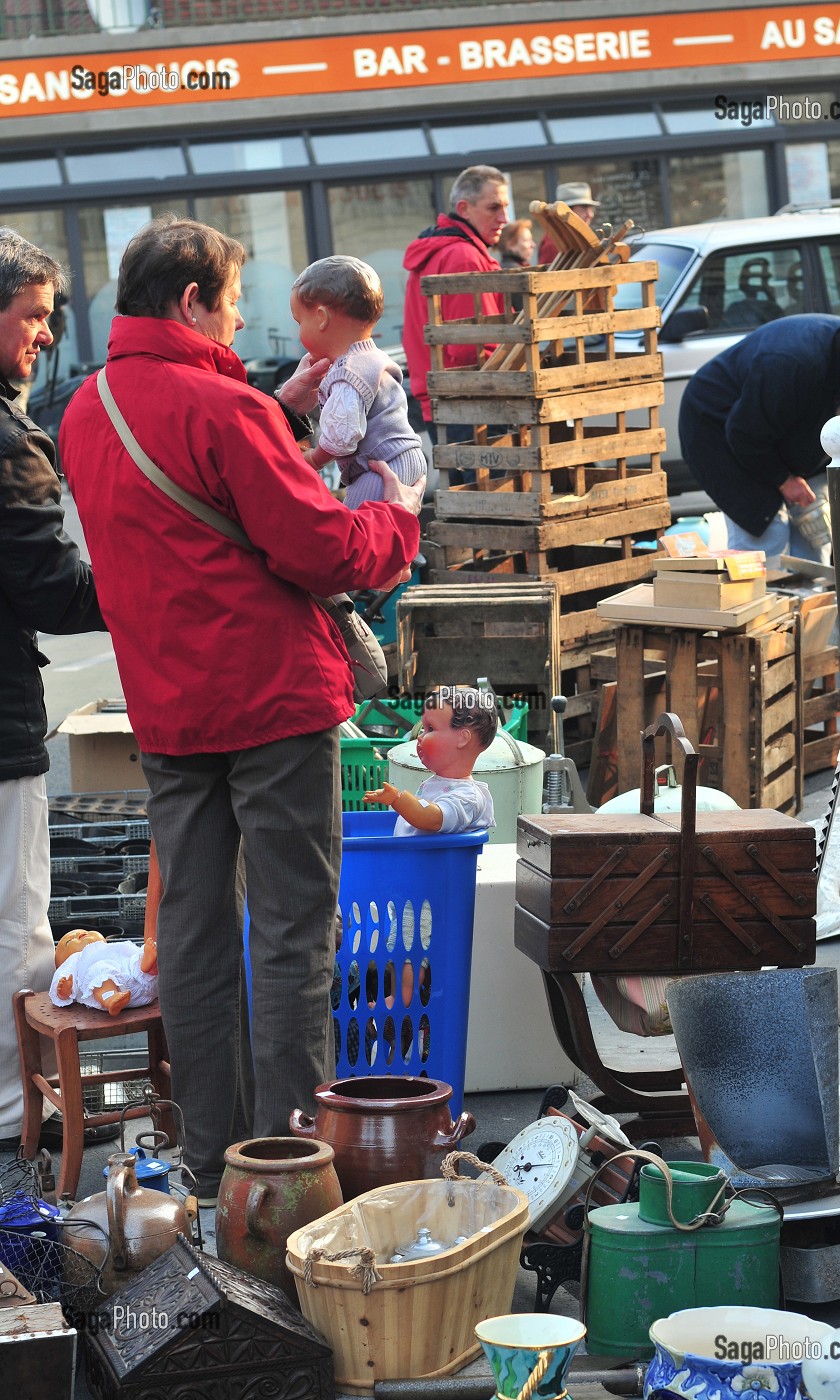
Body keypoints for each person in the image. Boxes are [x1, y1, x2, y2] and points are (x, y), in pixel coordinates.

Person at [59, 215, 422, 1204]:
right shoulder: (226, 408)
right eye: (227, 303)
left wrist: (267, 409)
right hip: (270, 695)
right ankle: (290, 1165)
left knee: (195, 930)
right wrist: (399, 513)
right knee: (296, 928)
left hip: (169, 705)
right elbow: (322, 551)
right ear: (190, 301)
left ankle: (209, 1159)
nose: (234, 323)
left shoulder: (86, 411)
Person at [0, 228, 106, 1155]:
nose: (43, 336)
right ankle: (13, 1116)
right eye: (31, 317)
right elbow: (54, 589)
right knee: (14, 918)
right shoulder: (5, 438)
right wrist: (153, 584)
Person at [678, 311, 840, 565]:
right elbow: (745, 434)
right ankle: (760, 599)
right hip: (718, 427)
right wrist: (783, 480)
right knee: (767, 532)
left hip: (782, 427)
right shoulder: (793, 362)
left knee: (816, 531)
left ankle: (810, 601)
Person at [289, 255, 426, 508]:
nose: (298, 331)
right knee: (394, 538)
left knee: (361, 537)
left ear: (321, 318)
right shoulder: (374, 357)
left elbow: (343, 434)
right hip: (406, 457)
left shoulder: (347, 372)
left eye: (299, 321)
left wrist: (315, 459)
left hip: (378, 468)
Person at [402, 164, 508, 439]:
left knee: (459, 483)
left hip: (444, 403)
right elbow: (471, 348)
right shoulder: (463, 256)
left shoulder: (439, 251)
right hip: (472, 402)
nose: (504, 218)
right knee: (491, 484)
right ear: (464, 209)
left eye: (504, 207)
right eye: (493, 208)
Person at [363, 685, 497, 836]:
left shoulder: (467, 798)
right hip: (411, 858)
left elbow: (432, 819)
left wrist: (397, 799)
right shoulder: (437, 783)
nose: (420, 737)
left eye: (431, 729)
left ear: (462, 738)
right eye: (423, 729)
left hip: (434, 860)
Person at [51, 927, 157, 1016]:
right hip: (117, 991)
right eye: (69, 941)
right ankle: (110, 998)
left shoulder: (110, 949)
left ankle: (150, 966)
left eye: (87, 931)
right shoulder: (76, 959)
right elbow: (63, 974)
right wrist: (63, 991)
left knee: (137, 958)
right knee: (99, 972)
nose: (79, 934)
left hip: (141, 983)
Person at [536, 181, 600, 264]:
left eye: (591, 209)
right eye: (584, 209)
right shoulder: (553, 243)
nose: (590, 215)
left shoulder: (575, 238)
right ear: (567, 211)